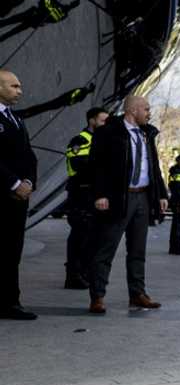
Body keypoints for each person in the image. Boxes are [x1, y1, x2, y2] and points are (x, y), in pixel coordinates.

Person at [87, 95, 168, 314]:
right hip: (117, 198)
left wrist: (161, 194)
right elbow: (97, 166)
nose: (149, 113)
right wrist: (100, 194)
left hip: (142, 197)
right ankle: (97, 296)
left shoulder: (147, 134)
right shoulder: (108, 132)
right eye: (147, 109)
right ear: (133, 110)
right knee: (106, 248)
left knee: (138, 249)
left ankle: (137, 294)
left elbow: (153, 166)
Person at [0, 69, 37, 320]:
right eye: (14, 86)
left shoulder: (15, 119)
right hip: (4, 194)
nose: (19, 91)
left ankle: (9, 302)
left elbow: (29, 155)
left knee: (12, 251)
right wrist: (13, 183)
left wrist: (28, 182)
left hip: (17, 199)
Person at [63, 106, 109, 289]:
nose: (106, 124)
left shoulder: (100, 141)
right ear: (92, 120)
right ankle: (74, 275)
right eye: (103, 120)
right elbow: (81, 166)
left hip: (93, 194)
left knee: (92, 236)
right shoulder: (81, 140)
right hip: (81, 193)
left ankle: (85, 272)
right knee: (79, 235)